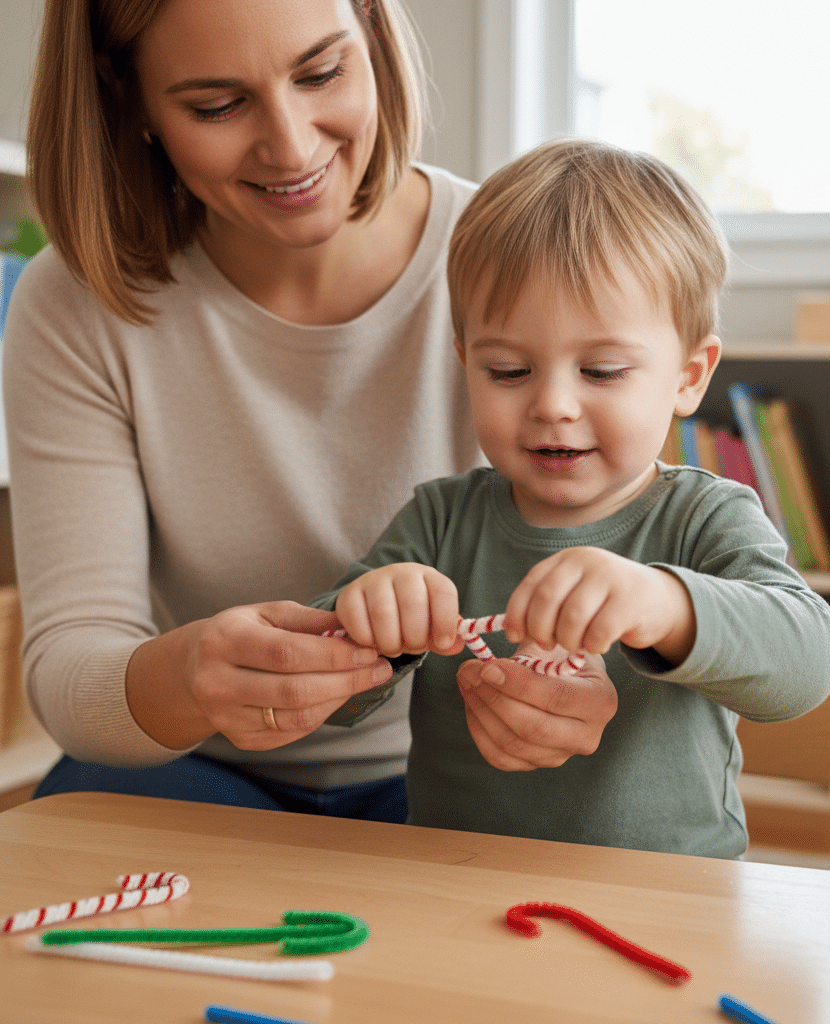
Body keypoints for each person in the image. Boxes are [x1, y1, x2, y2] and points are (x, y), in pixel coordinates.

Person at [3, 0, 617, 822]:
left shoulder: (518, 263)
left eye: (322, 71)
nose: (292, 148)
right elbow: (72, 672)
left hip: (466, 768)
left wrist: (589, 688)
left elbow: (636, 564)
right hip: (196, 773)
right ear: (129, 101)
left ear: (373, 34)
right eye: (216, 106)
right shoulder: (76, 306)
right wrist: (186, 680)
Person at [313, 138, 830, 856]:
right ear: (467, 362)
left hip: (667, 901)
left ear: (690, 376)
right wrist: (366, 620)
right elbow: (322, 702)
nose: (554, 405)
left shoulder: (703, 518)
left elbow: (808, 665)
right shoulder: (440, 521)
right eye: (508, 371)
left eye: (601, 370)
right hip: (454, 888)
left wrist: (663, 603)